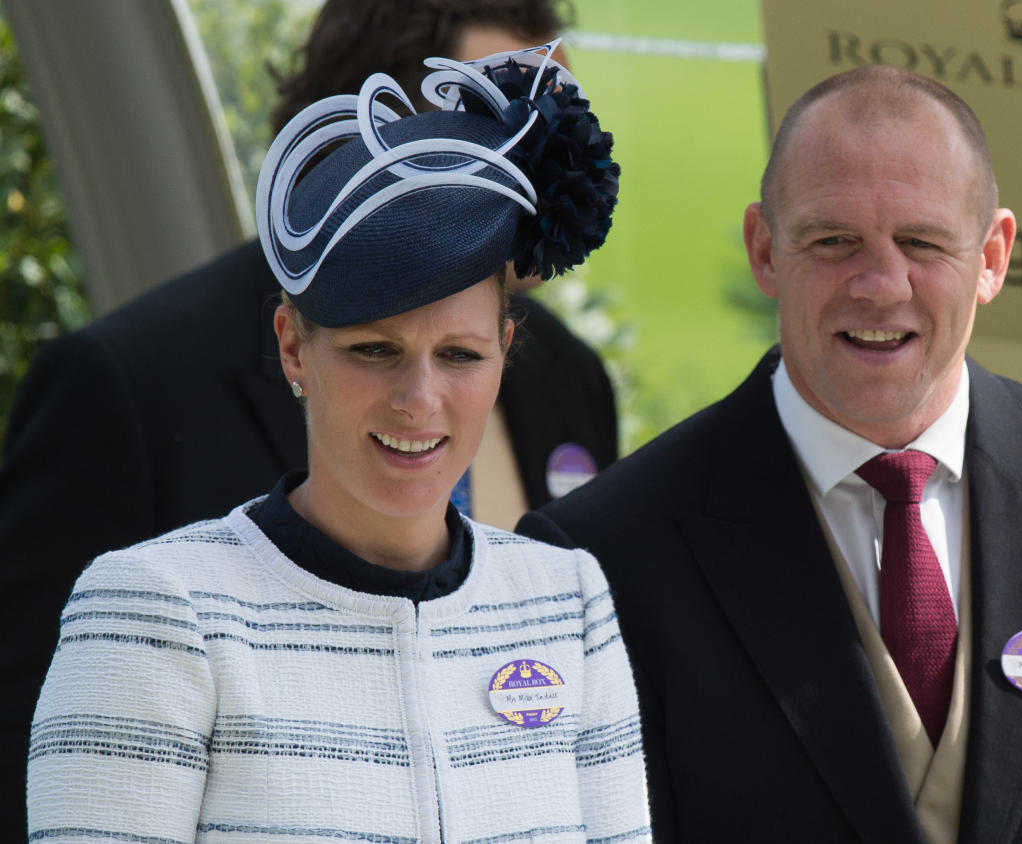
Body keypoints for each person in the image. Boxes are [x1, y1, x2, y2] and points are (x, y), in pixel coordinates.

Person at [518, 64, 1022, 842]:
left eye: (922, 242)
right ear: (764, 249)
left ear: (993, 257)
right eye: (834, 241)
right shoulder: (603, 556)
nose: (880, 284)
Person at [0, 0, 615, 832]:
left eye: (465, 356)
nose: (422, 395)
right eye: (500, 115)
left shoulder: (568, 392)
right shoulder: (127, 387)